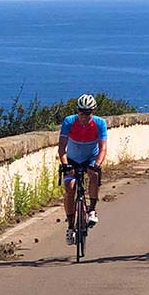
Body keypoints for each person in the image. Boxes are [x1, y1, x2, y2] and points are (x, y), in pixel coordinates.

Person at [58, 93, 107, 245]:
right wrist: (65, 164)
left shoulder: (99, 123)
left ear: (92, 112)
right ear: (77, 111)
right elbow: (61, 147)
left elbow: (103, 148)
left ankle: (92, 209)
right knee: (69, 186)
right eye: (82, 113)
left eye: (88, 113)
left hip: (90, 159)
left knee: (93, 175)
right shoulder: (69, 122)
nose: (84, 117)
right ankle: (70, 226)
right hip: (72, 159)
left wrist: (97, 164)